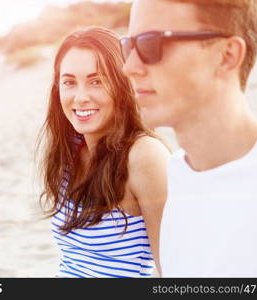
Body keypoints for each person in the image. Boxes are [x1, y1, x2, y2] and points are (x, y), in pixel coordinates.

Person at [121, 0, 257, 277]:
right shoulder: (178, 173)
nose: (129, 67)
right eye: (128, 46)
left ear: (227, 55)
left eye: (150, 44)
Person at [38, 27, 170, 278]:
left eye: (96, 81)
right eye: (69, 82)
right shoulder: (71, 150)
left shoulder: (144, 155)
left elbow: (174, 269)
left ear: (122, 85)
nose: (80, 97)